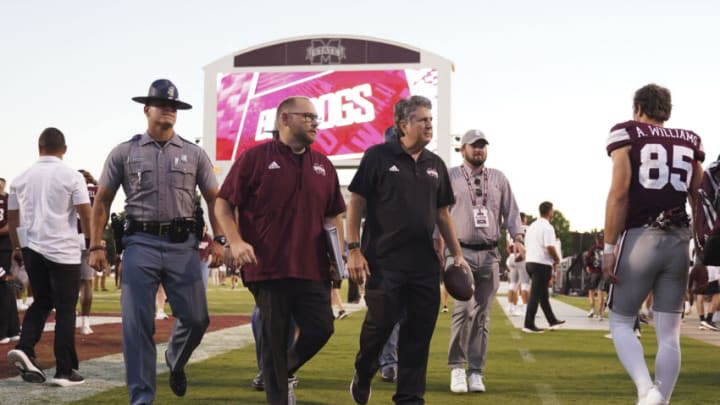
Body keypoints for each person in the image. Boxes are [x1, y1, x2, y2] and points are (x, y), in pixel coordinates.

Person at [88, 79, 226, 404]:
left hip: (183, 246)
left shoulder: (195, 154)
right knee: (136, 324)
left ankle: (175, 359)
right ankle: (142, 399)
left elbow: (215, 198)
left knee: (196, 319)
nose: (169, 110)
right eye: (162, 104)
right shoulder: (124, 152)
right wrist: (96, 245)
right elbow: (103, 201)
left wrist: (220, 240)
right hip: (140, 244)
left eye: (174, 106)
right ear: (146, 109)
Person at [215, 95, 346, 405]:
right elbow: (223, 204)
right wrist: (234, 241)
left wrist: (336, 254)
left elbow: (332, 213)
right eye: (308, 116)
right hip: (268, 268)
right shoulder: (254, 158)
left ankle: (281, 370)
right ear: (285, 119)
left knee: (321, 328)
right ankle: (277, 381)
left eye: (317, 118)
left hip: (312, 267)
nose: (315, 122)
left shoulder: (324, 165)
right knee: (274, 340)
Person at [346, 95, 469, 405]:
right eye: (422, 119)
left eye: (430, 119)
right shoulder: (377, 156)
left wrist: (458, 255)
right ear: (403, 125)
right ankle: (365, 368)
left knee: (418, 333)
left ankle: (410, 398)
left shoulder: (435, 164)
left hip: (424, 264)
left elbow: (442, 215)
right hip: (383, 261)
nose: (429, 124)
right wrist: (353, 248)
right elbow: (356, 202)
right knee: (381, 322)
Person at [602, 83, 704, 404]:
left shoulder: (626, 133)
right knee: (669, 334)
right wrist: (700, 253)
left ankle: (647, 390)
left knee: (620, 321)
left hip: (641, 237)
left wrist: (608, 248)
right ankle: (660, 398)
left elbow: (619, 192)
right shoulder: (689, 140)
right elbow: (699, 198)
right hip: (680, 239)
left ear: (637, 108)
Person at [6, 127, 92, 386]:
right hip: (63, 249)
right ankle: (65, 370)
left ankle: (26, 346)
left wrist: (17, 246)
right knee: (66, 307)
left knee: (41, 301)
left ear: (39, 147)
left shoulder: (20, 178)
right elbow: (85, 214)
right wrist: (92, 244)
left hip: (32, 248)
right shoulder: (72, 175)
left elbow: (12, 218)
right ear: (64, 149)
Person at [445, 129, 525, 394]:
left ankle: (475, 371)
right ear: (462, 149)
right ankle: (457, 367)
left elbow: (511, 213)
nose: (478, 150)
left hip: (490, 254)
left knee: (482, 316)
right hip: (459, 252)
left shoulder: (499, 178)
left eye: (482, 146)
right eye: (473, 146)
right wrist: (437, 247)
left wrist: (518, 238)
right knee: (462, 310)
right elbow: (439, 212)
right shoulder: (451, 176)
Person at [523, 201, 565, 333]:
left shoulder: (532, 226)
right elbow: (549, 246)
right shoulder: (547, 227)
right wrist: (557, 258)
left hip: (530, 262)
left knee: (543, 295)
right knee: (535, 295)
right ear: (550, 211)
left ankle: (552, 320)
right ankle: (528, 324)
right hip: (541, 263)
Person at [0, 177, 21, 344]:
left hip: (5, 247)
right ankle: (13, 329)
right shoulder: (9, 199)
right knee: (7, 288)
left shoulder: (8, 200)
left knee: (4, 288)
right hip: (8, 246)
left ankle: (3, 331)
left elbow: (12, 223)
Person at [77, 170, 98, 335]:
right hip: (87, 240)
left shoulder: (70, 189)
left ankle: (65, 318)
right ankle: (85, 322)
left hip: (69, 239)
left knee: (66, 283)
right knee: (87, 283)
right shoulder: (95, 192)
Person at [506, 212, 529, 316]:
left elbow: (507, 248)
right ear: (523, 220)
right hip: (521, 257)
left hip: (511, 257)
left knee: (512, 284)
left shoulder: (509, 231)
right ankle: (525, 309)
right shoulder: (526, 229)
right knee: (524, 285)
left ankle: (511, 307)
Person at [584, 233, 605, 320]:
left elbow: (587, 258)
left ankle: (592, 309)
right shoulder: (606, 248)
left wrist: (588, 266)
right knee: (600, 292)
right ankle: (600, 314)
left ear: (596, 240)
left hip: (594, 272)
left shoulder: (593, 248)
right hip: (603, 272)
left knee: (591, 291)